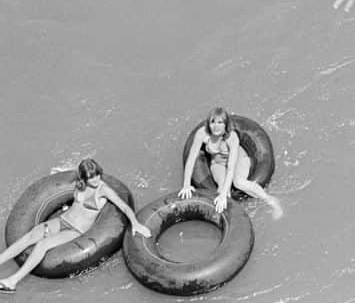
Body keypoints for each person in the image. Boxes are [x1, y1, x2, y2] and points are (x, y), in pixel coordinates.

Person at [0, 159, 150, 292]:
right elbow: (64, 179)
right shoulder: (79, 184)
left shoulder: (103, 190)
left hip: (75, 230)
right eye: (91, 177)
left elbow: (124, 207)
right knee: (31, 235)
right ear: (84, 177)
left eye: (97, 174)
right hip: (62, 220)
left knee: (42, 245)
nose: (96, 179)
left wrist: (136, 223)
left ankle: (12, 281)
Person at [179, 108, 283, 220]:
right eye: (212, 122)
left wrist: (224, 194)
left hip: (238, 159)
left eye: (220, 123)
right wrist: (186, 185)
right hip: (217, 163)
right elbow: (191, 160)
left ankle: (271, 201)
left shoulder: (232, 137)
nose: (216, 126)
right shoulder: (202, 134)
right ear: (208, 124)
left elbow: (231, 168)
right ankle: (225, 219)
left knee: (238, 182)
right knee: (222, 188)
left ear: (225, 124)